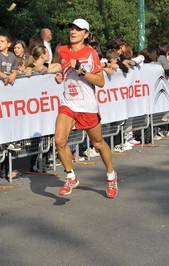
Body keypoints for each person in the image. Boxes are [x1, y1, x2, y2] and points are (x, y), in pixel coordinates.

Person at [54, 18, 117, 198]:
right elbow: (63, 70)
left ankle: (111, 175)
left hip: (87, 105)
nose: (73, 32)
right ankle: (70, 176)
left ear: (86, 34)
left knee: (98, 144)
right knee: (59, 140)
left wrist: (81, 71)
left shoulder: (91, 53)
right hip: (69, 102)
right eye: (72, 28)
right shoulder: (62, 50)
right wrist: (59, 76)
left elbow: (101, 81)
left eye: (78, 29)